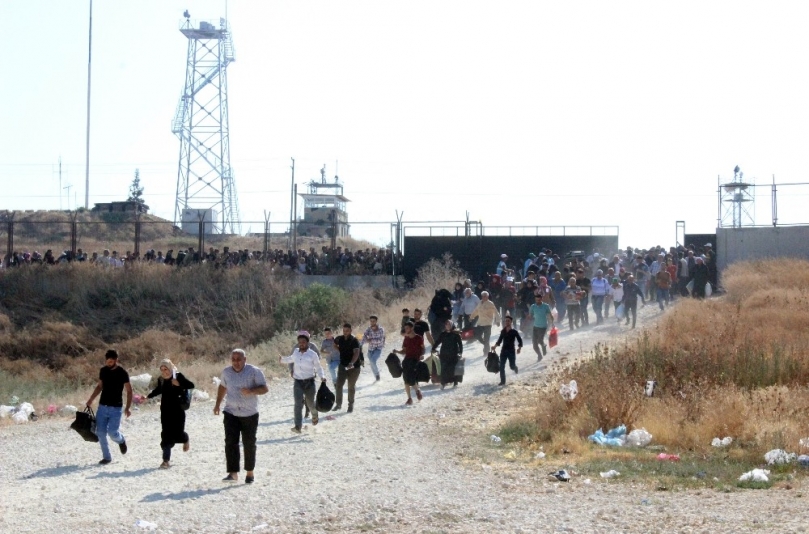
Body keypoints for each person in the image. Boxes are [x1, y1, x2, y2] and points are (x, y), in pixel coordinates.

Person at [214, 348, 268, 484]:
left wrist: (251, 391)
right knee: (230, 442)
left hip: (249, 413)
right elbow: (222, 387)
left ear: (245, 359)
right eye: (233, 359)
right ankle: (233, 473)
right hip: (231, 412)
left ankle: (250, 472)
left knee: (249, 443)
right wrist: (217, 404)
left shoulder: (254, 371)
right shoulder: (226, 372)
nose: (236, 362)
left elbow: (265, 389)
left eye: (239, 359)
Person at [85, 349, 132, 465]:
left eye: (111, 361)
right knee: (100, 432)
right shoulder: (103, 371)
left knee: (112, 432)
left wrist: (128, 408)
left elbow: (129, 391)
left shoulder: (122, 373)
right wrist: (91, 399)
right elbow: (99, 386)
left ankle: (121, 440)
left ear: (116, 360)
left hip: (116, 408)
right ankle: (107, 457)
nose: (109, 363)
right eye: (107, 361)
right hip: (102, 407)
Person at [146, 359, 195, 469]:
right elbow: (159, 390)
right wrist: (148, 397)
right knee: (166, 436)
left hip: (178, 411)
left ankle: (185, 438)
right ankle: (165, 461)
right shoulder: (161, 380)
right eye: (162, 369)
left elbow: (191, 385)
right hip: (165, 412)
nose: (164, 372)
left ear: (170, 368)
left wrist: (179, 384)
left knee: (178, 434)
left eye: (166, 369)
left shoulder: (177, 376)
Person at [279, 332, 327, 433]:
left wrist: (322, 376)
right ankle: (298, 426)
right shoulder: (296, 352)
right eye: (300, 342)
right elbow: (290, 359)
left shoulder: (312, 354)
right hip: (298, 382)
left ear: (307, 343)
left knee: (310, 403)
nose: (301, 344)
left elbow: (318, 367)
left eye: (303, 342)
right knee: (298, 404)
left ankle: (314, 414)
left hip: (309, 382)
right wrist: (282, 360)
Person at [333, 323, 361, 413]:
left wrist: (351, 363)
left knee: (350, 386)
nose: (345, 332)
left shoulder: (354, 340)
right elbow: (334, 344)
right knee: (338, 385)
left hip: (354, 367)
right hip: (342, 365)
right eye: (344, 331)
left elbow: (356, 353)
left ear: (351, 331)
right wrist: (340, 350)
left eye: (347, 331)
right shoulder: (339, 339)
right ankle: (338, 404)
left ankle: (350, 404)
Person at [395, 321, 425, 404]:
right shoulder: (406, 338)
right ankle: (409, 398)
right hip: (406, 360)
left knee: (410, 377)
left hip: (415, 360)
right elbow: (404, 351)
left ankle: (417, 390)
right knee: (405, 379)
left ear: (412, 328)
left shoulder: (418, 338)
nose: (406, 330)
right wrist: (397, 352)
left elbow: (423, 348)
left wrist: (421, 355)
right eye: (405, 328)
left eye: (407, 328)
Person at [432, 319, 463, 389]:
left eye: (449, 324)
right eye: (446, 324)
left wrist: (460, 352)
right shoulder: (443, 334)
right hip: (444, 354)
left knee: (453, 368)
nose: (447, 326)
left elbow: (460, 344)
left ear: (451, 325)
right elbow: (437, 342)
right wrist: (433, 348)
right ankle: (443, 383)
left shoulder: (456, 334)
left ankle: (455, 382)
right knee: (444, 368)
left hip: (454, 354)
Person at [492, 316, 522, 386]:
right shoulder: (503, 331)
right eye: (506, 321)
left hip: (511, 351)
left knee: (511, 366)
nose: (507, 322)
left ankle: (515, 367)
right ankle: (503, 381)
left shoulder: (514, 331)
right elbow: (499, 340)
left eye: (508, 321)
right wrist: (494, 346)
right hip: (504, 351)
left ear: (511, 322)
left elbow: (519, 340)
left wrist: (519, 348)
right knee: (501, 366)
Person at [469, 291, 501, 357]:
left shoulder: (490, 303)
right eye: (482, 296)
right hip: (480, 323)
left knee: (487, 338)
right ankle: (486, 344)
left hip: (487, 323)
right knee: (477, 336)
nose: (483, 297)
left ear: (487, 297)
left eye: (485, 296)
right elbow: (476, 311)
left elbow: (496, 312)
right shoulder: (480, 303)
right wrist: (471, 317)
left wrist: (498, 321)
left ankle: (486, 352)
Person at [528, 294, 554, 361]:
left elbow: (550, 315)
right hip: (535, 326)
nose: (537, 301)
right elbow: (530, 315)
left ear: (541, 299)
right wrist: (529, 317)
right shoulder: (533, 306)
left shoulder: (546, 306)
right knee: (534, 345)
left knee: (540, 340)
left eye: (539, 300)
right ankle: (539, 355)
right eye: (536, 300)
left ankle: (543, 345)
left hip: (543, 327)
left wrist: (552, 322)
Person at [361, 315, 386, 382]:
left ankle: (377, 375)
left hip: (378, 348)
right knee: (372, 363)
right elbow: (364, 337)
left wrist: (370, 340)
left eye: (373, 321)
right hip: (370, 349)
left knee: (372, 361)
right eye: (371, 321)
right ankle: (376, 376)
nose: (372, 322)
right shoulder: (368, 329)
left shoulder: (381, 329)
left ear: (376, 321)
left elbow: (380, 340)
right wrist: (361, 344)